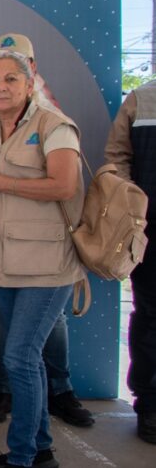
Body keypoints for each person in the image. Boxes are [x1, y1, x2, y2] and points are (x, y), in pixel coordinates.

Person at [0, 50, 84, 468]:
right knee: (24, 360)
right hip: (5, 262)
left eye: (11, 79)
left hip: (47, 265)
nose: (1, 87)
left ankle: (23, 457)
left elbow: (64, 186)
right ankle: (41, 449)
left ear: (29, 82)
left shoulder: (54, 126)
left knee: (19, 358)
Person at [104, 77, 156, 444]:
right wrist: (132, 215)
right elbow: (117, 160)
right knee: (150, 316)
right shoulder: (142, 100)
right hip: (149, 236)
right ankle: (150, 405)